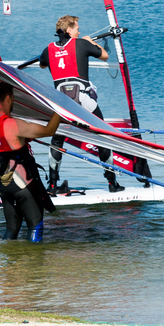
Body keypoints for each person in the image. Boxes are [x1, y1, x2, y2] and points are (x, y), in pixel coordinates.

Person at [39, 14, 124, 193]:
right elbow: (105, 56)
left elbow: (42, 65)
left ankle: (52, 185)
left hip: (61, 103)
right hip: (82, 99)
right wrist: (89, 42)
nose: (80, 31)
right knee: (103, 136)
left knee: (57, 140)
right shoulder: (82, 43)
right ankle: (112, 183)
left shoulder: (48, 49)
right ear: (69, 30)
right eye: (77, 28)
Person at [0, 75, 61, 241]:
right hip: (22, 185)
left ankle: (7, 264)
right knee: (35, 225)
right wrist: (60, 110)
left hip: (3, 186)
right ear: (7, 98)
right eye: (12, 98)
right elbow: (49, 130)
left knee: (12, 228)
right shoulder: (13, 124)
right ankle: (35, 263)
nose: (13, 102)